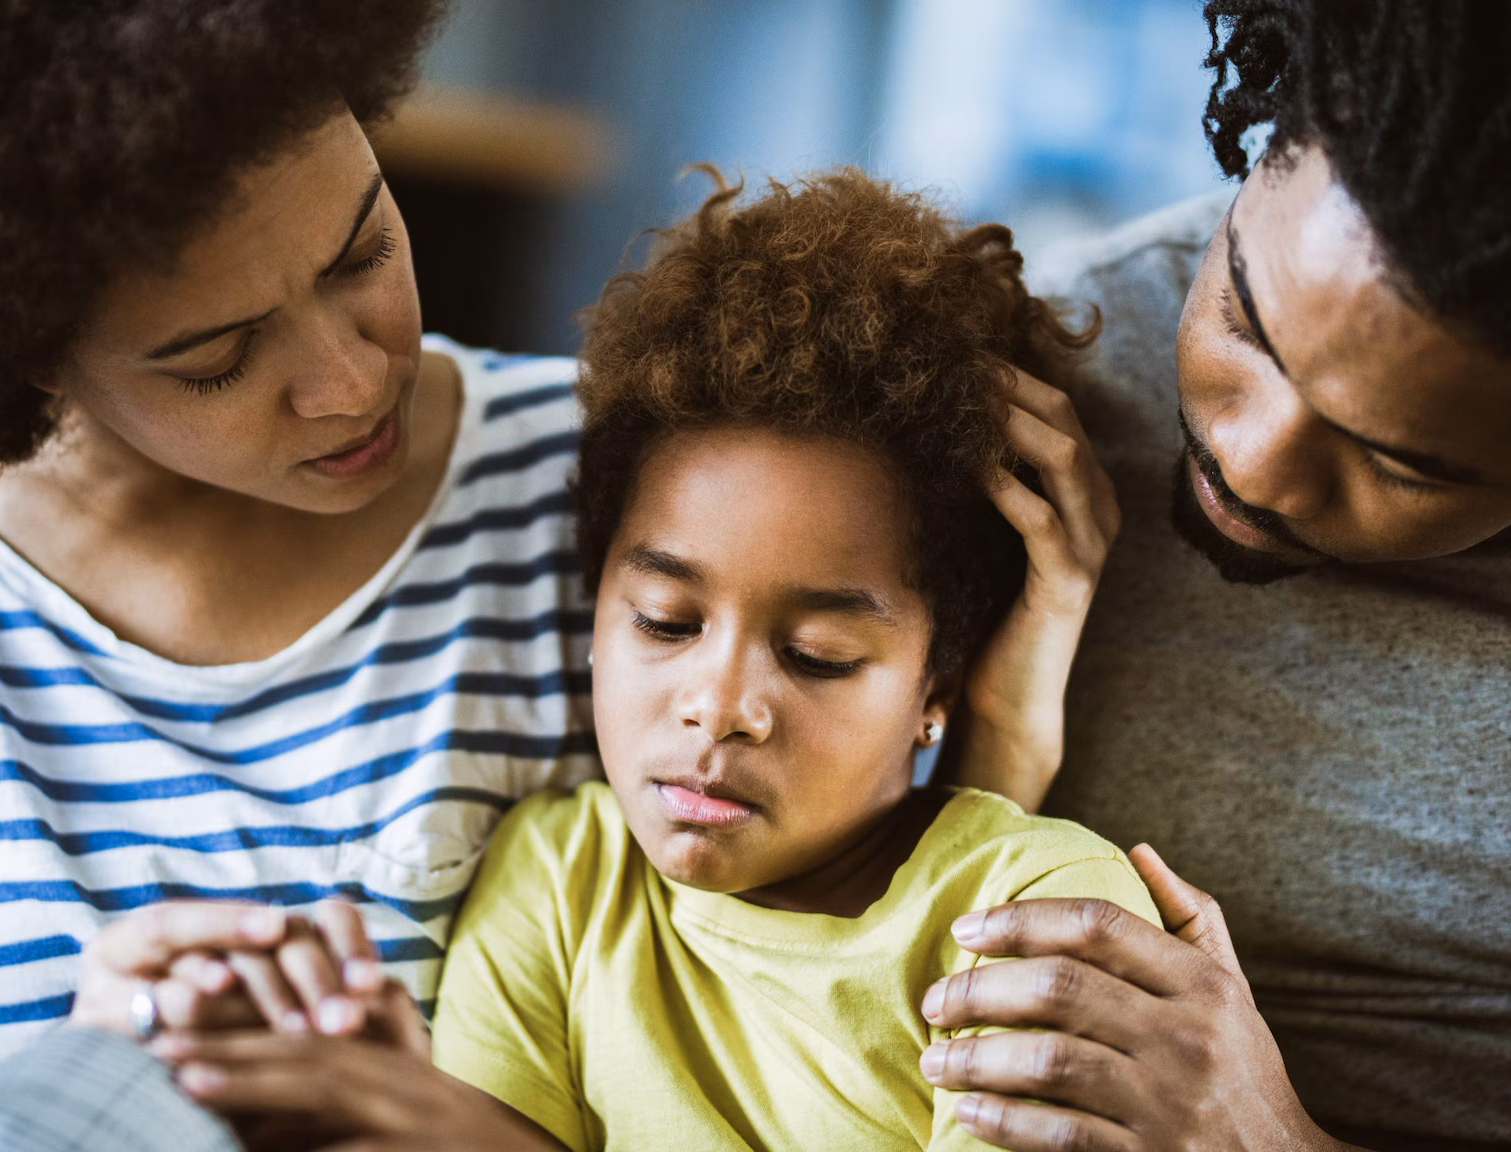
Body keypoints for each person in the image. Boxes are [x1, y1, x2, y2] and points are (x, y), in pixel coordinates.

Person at [0, 4, 1119, 1150]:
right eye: (216, 358)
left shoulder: (608, 490)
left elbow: (787, 980)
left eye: (362, 251)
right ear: (1, 350)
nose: (354, 380)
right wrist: (101, 1055)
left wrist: (996, 740)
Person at [910, 2, 1511, 1150]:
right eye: (1243, 320)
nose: (1248, 460)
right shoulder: (1034, 363)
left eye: (1397, 460)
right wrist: (986, 760)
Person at [424, 169, 1152, 1150]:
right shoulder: (558, 879)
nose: (719, 706)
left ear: (935, 680)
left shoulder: (1036, 915)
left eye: (816, 656)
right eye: (665, 621)